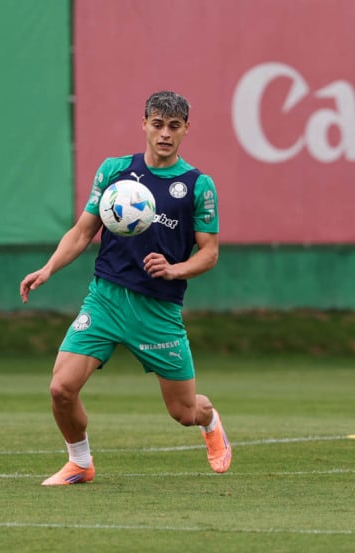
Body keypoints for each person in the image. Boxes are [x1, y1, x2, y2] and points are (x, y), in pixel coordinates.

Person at [19, 90, 230, 486]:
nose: (164, 134)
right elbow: (83, 232)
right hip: (106, 299)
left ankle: (210, 420)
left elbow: (210, 253)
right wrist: (49, 268)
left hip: (158, 311)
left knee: (183, 412)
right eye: (157, 124)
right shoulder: (115, 171)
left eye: (173, 126)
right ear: (144, 124)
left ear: (186, 129)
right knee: (61, 389)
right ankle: (80, 463)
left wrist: (175, 269)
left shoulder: (198, 185)